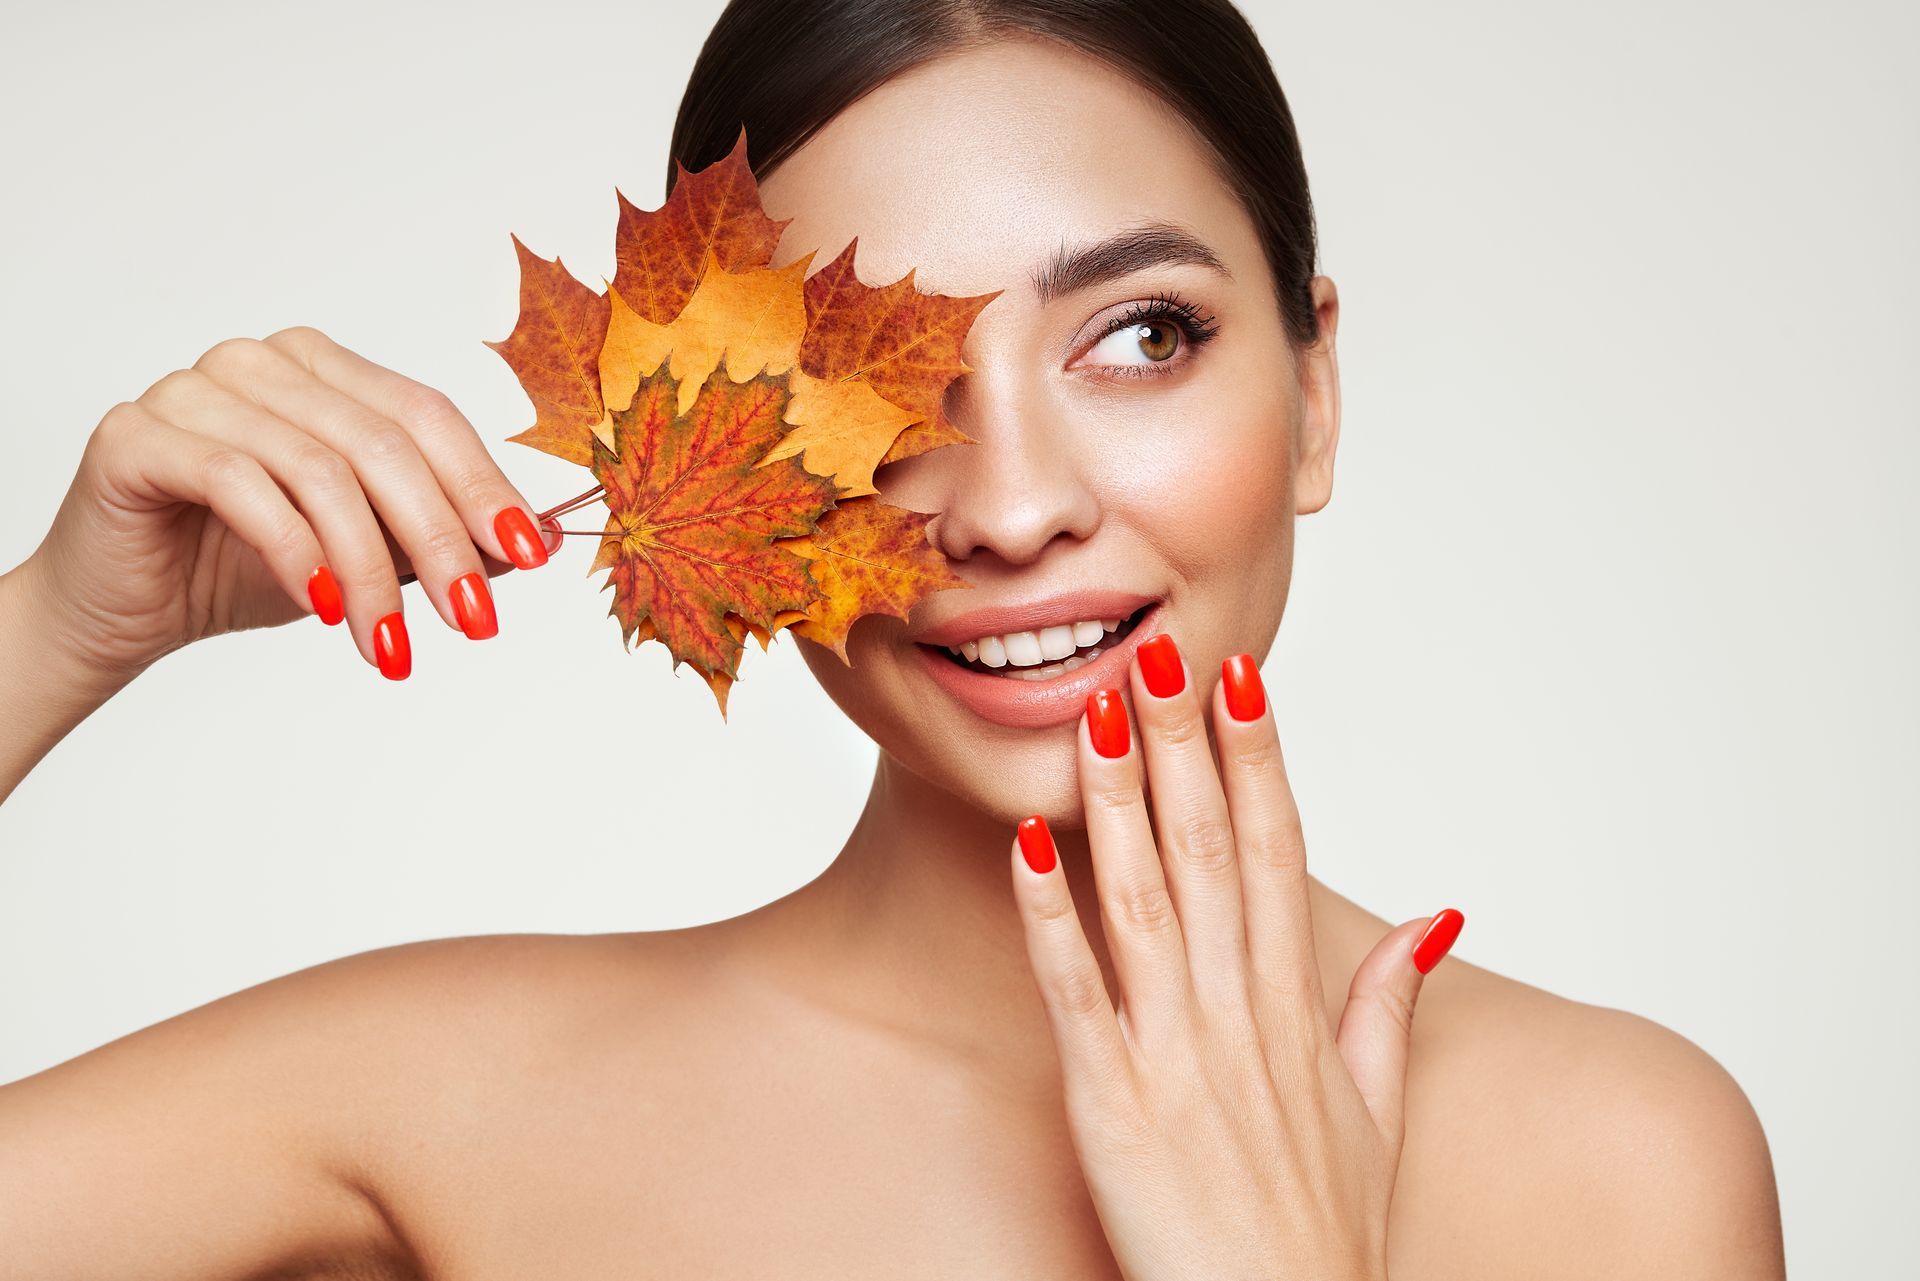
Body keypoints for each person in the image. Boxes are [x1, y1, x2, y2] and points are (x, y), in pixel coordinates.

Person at [0, 1, 1785, 1275]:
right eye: (870, 387)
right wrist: (59, 627)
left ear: (1316, 393)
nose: (1009, 507)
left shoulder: (1616, 1166)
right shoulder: (439, 1094)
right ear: (712, 442)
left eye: (1143, 334)